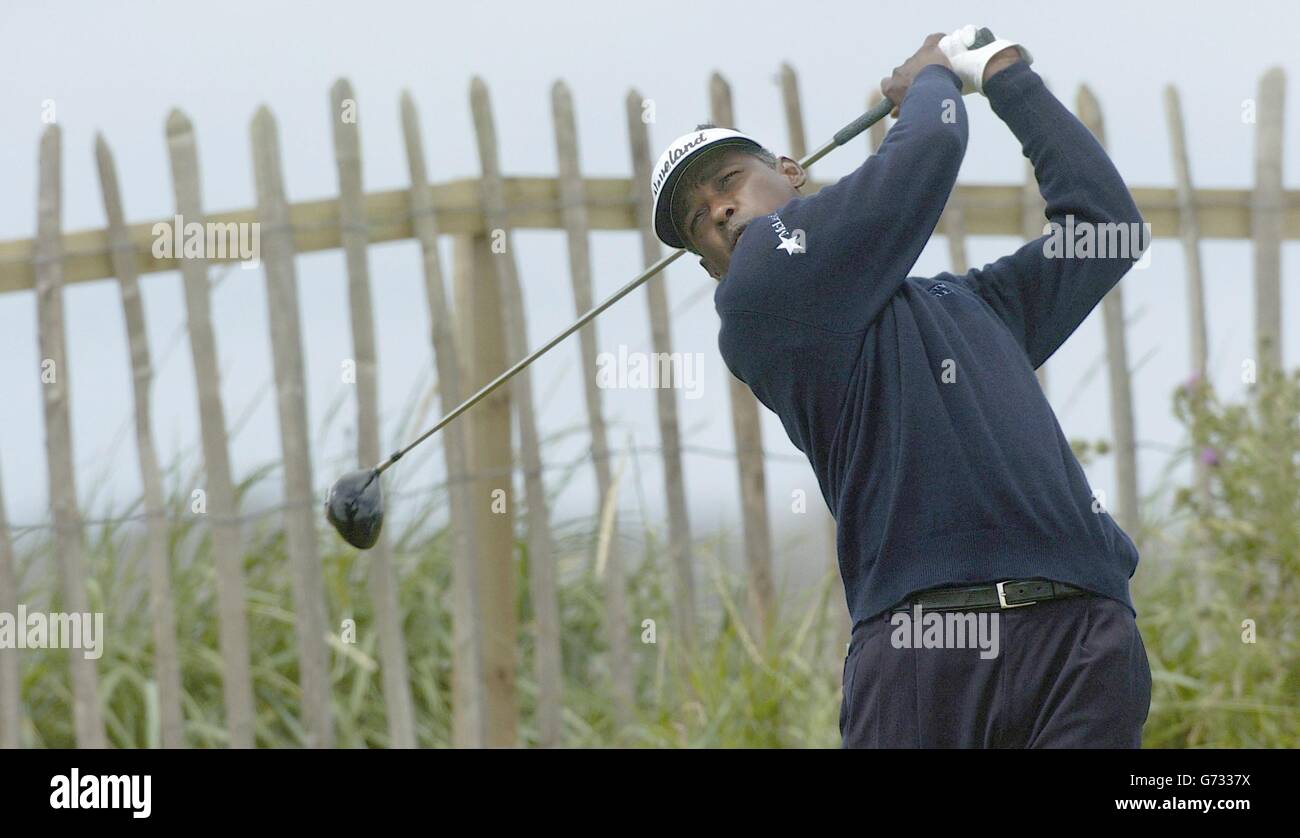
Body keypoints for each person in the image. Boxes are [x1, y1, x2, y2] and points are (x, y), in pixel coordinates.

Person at [648, 29, 1153, 747]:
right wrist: (930, 81)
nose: (719, 211)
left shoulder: (975, 307)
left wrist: (1007, 77)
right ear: (711, 268)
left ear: (791, 173)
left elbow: (1108, 227)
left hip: (1079, 635)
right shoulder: (757, 302)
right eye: (699, 220)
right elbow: (930, 149)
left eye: (727, 182)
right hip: (924, 653)